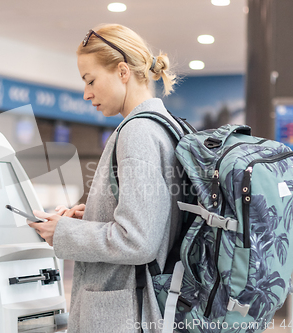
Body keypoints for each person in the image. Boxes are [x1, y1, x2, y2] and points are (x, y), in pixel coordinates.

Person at [29, 23, 185, 333]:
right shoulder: (168, 126)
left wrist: (63, 233)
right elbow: (156, 217)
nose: (87, 93)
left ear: (123, 71)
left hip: (126, 315)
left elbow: (138, 241)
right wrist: (92, 216)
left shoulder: (138, 132)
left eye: (91, 80)